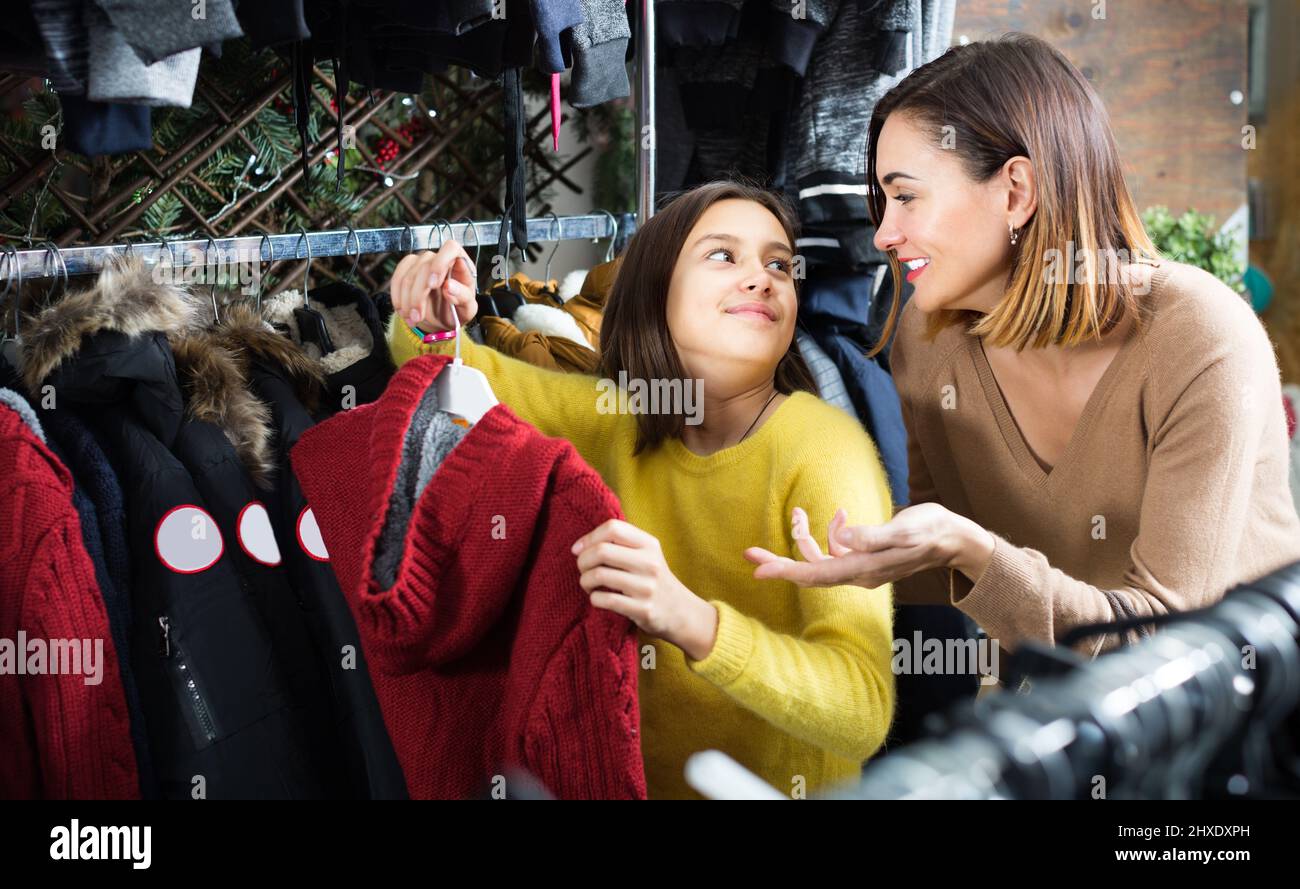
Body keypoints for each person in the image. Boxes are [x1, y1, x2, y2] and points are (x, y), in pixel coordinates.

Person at [745, 33, 1300, 668]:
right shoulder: (927, 345)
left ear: (1016, 191)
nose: (883, 234)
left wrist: (966, 548)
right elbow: (949, 572)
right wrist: (836, 548)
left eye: (905, 196)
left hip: (1239, 735)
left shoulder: (1201, 341)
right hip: (1058, 719)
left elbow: (1162, 651)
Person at [385, 181, 896, 798]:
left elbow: (862, 708)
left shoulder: (825, 450)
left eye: (779, 263)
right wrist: (434, 312)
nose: (763, 278)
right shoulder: (621, 418)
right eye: (723, 256)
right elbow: (463, 374)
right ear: (656, 293)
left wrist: (692, 621)